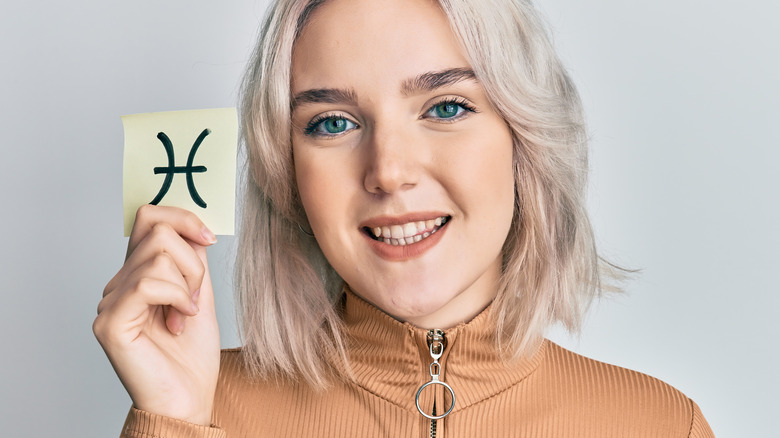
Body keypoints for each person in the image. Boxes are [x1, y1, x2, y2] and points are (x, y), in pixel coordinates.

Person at [94, 0, 715, 436]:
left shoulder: (660, 425)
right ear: (288, 177)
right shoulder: (198, 414)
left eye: (445, 107)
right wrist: (174, 421)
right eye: (332, 123)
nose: (388, 171)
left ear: (525, 139)